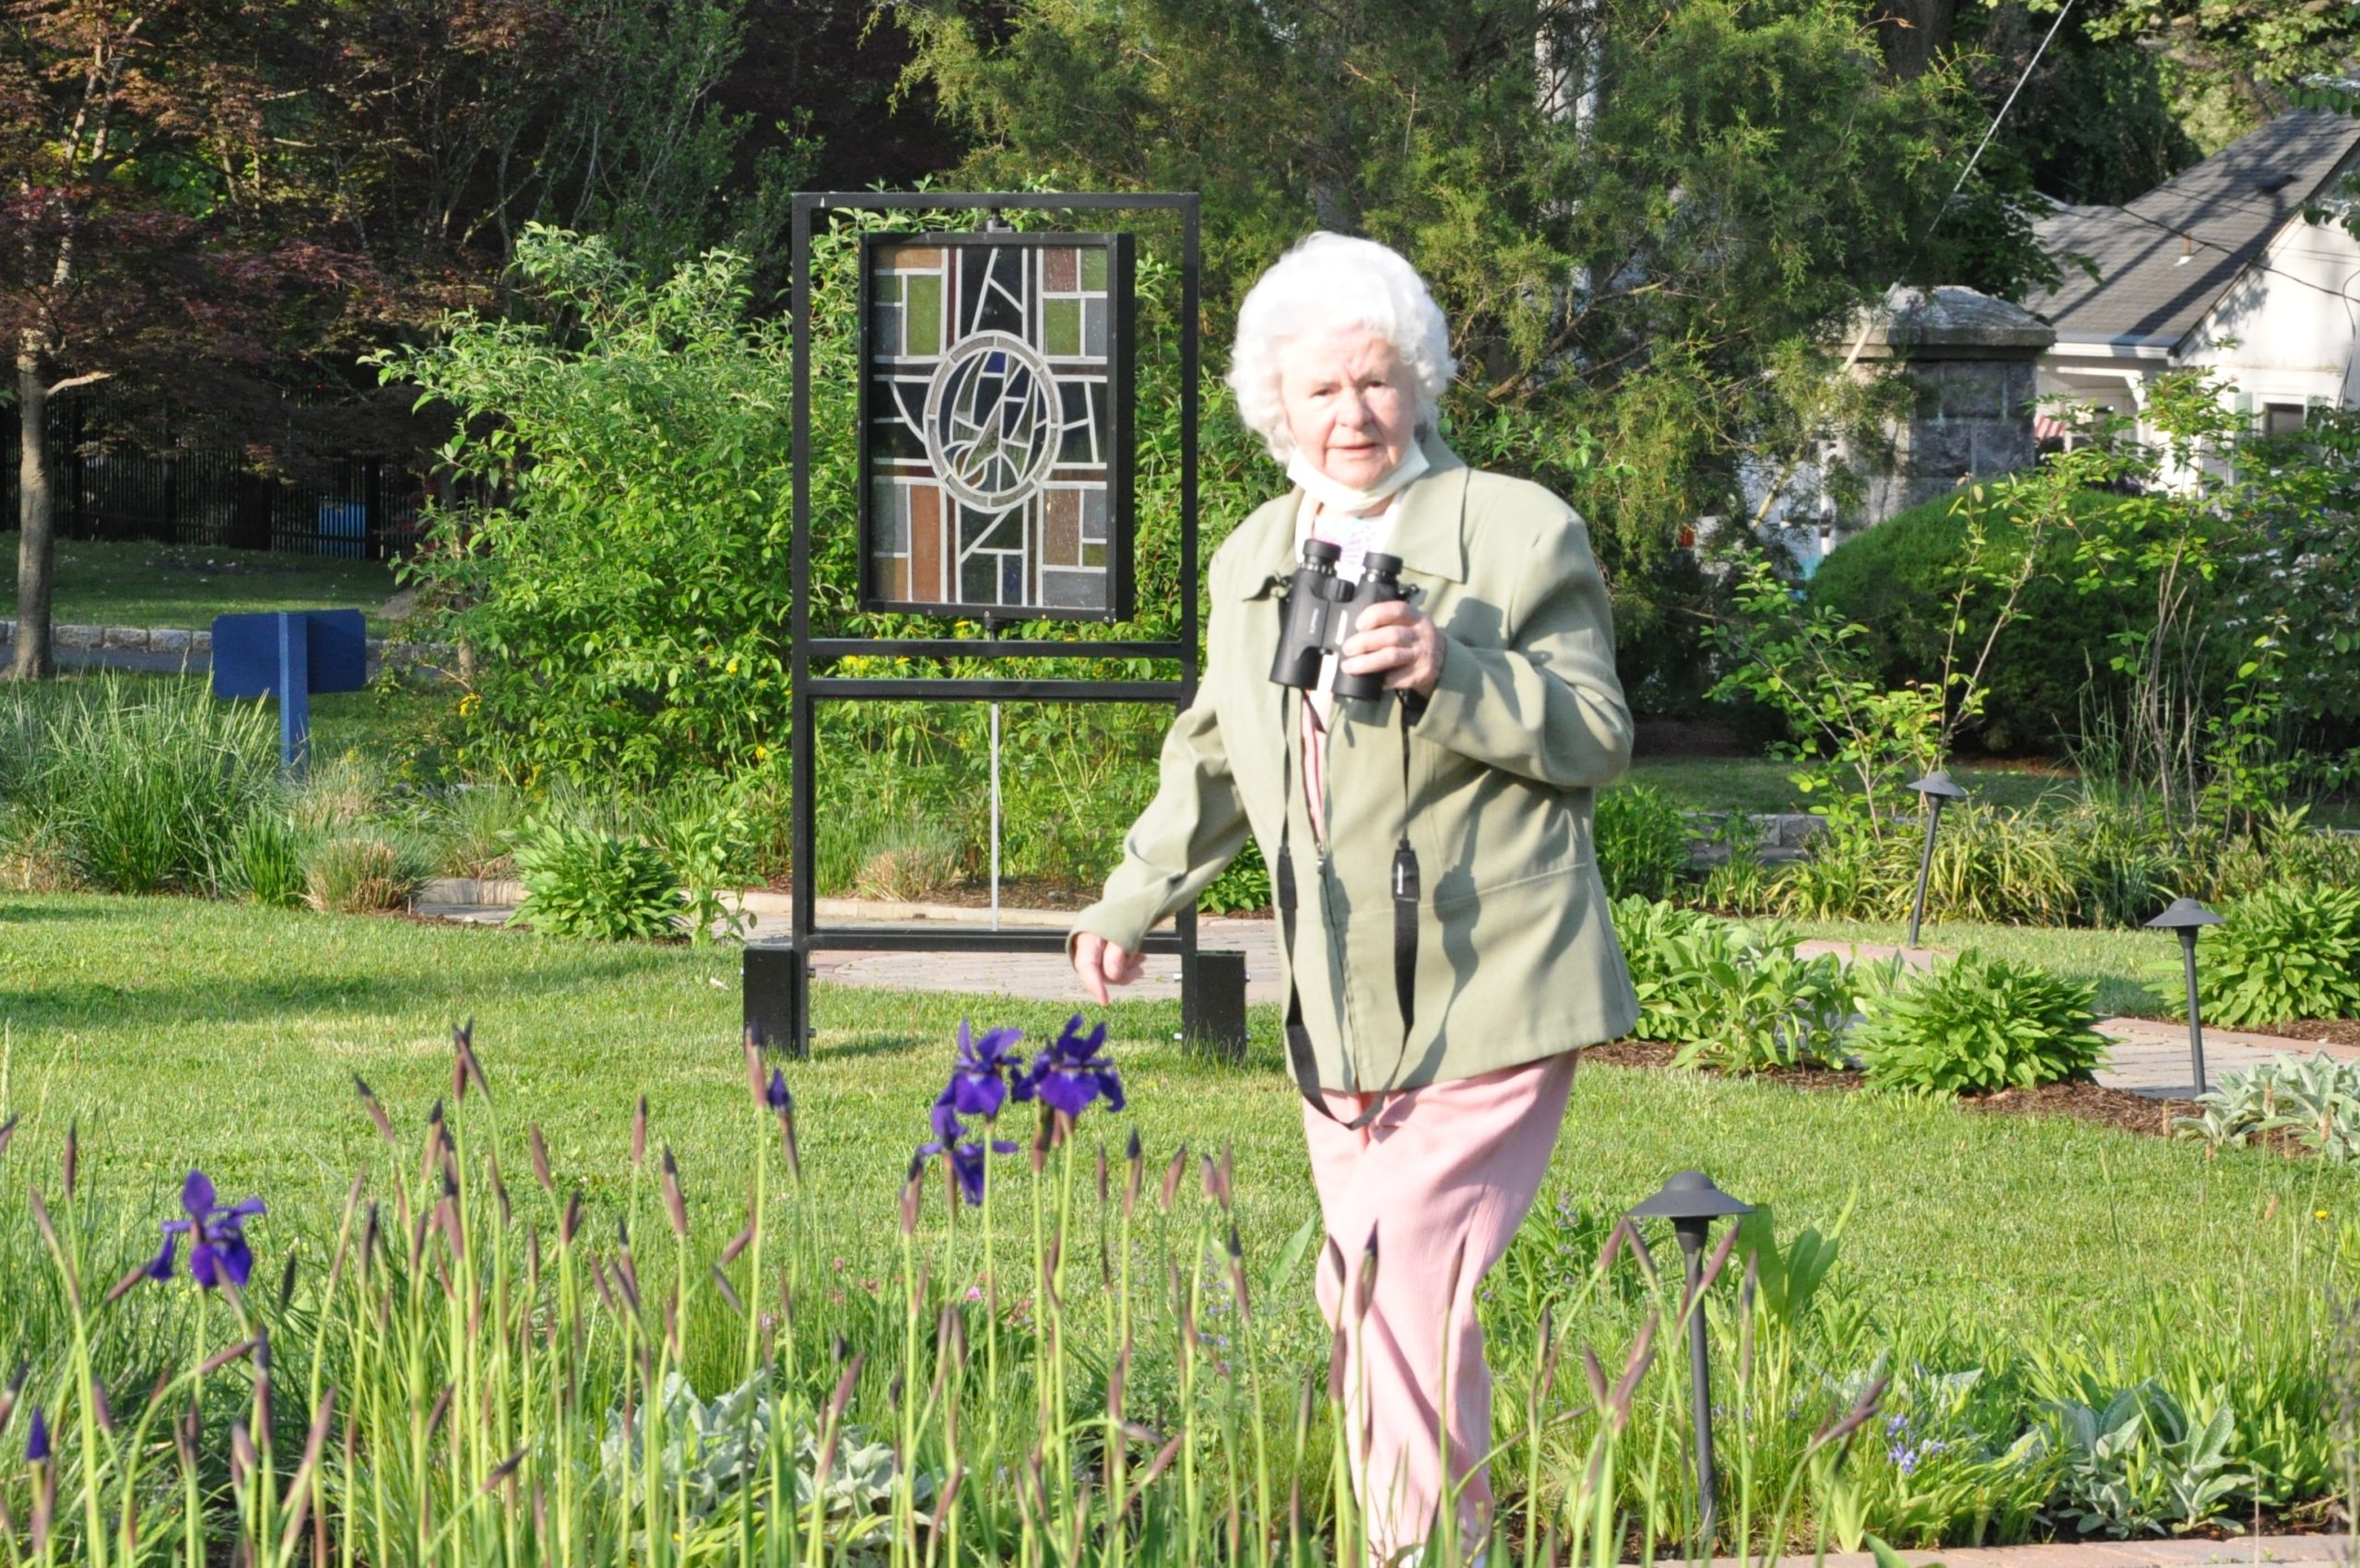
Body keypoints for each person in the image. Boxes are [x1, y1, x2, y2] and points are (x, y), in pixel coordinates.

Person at [1067, 231, 1639, 1561]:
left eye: (1377, 380)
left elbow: (1599, 734)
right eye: (1322, 388)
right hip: (1338, 1007)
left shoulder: (1515, 530)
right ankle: (1443, 1537)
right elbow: (1216, 753)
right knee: (1372, 1292)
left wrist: (1453, 668)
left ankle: (1411, 1550)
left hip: (1489, 979)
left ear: (1420, 381)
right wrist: (1131, 898)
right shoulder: (1256, 556)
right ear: (1278, 402)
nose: (1353, 413)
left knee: (1400, 1279)